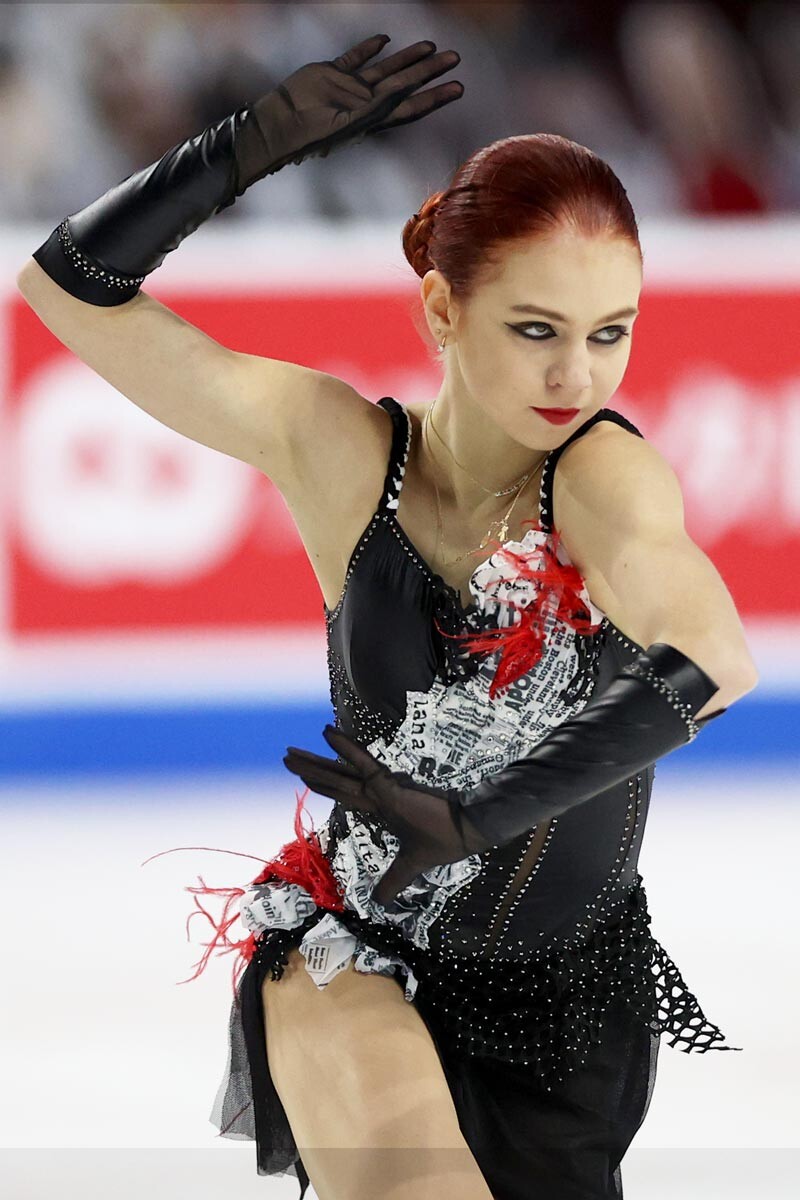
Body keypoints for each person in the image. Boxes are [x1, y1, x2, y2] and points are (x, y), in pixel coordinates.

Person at [16, 29, 758, 1200]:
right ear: (440, 310)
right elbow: (65, 290)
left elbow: (712, 658)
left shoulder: (605, 480)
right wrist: (241, 149)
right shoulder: (338, 450)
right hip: (347, 948)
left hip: (568, 1015)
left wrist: (473, 820)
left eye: (607, 334)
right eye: (534, 329)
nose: (576, 378)